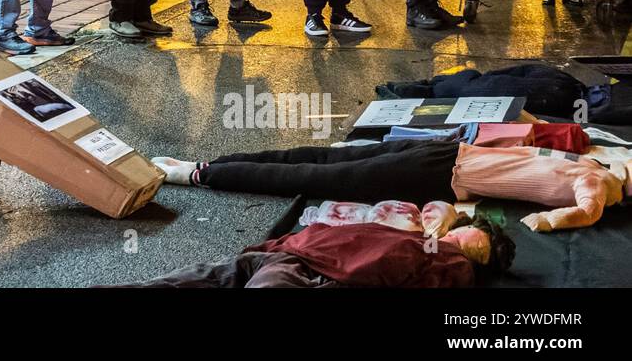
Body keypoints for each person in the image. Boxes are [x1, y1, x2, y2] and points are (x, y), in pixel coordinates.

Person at [150, 138, 632, 232]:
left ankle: (204, 165)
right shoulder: (598, 182)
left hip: (448, 153)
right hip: (440, 173)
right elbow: (586, 211)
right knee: (316, 174)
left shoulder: (592, 164)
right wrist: (545, 221)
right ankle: (197, 172)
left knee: (319, 160)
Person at [126, 217, 511, 288]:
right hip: (293, 258)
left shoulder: (454, 264)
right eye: (462, 236)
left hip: (304, 266)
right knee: (179, 281)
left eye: (469, 247)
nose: (457, 243)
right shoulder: (421, 236)